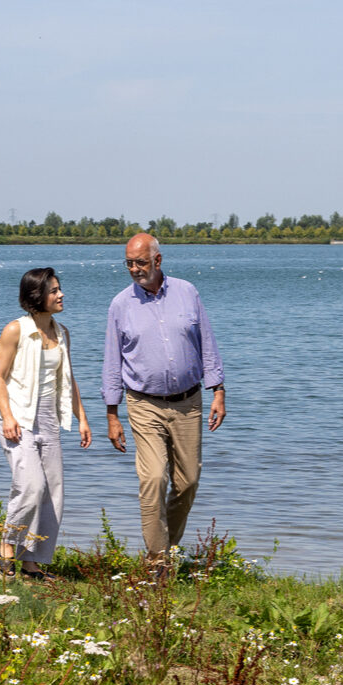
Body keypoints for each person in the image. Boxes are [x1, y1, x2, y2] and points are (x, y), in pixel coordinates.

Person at [102, 233, 225, 577]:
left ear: (158, 260)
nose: (134, 269)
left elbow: (207, 343)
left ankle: (166, 547)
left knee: (187, 482)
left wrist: (219, 390)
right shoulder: (120, 305)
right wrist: (112, 415)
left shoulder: (187, 292)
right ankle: (158, 562)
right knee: (154, 477)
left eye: (140, 262)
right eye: (128, 262)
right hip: (144, 404)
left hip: (190, 401)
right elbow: (112, 363)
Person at [0, 267, 92, 580]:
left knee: (51, 493)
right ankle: (6, 547)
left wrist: (82, 418)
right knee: (31, 486)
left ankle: (31, 563)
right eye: (53, 291)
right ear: (37, 296)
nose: (60, 295)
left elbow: (68, 379)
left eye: (60, 289)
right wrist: (7, 417)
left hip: (50, 420)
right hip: (18, 419)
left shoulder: (62, 333)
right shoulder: (15, 330)